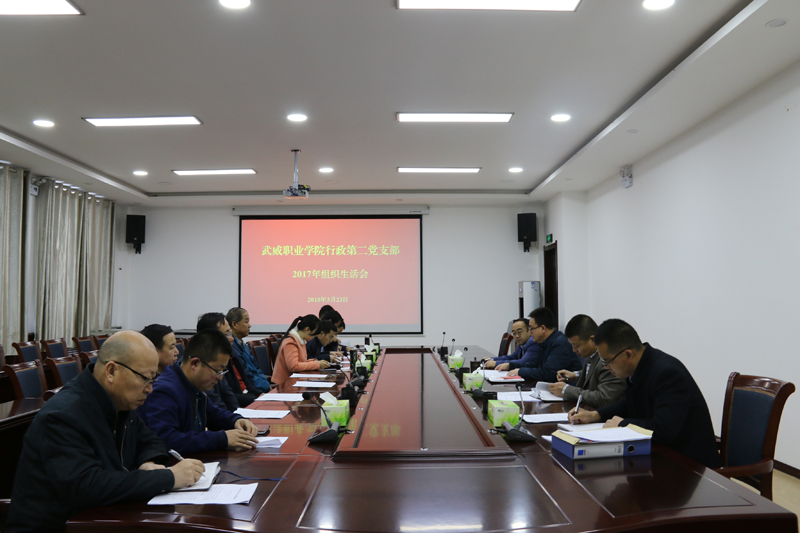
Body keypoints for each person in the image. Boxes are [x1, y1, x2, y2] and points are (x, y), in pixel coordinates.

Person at [5, 331, 205, 533]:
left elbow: (151, 440)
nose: (149, 389)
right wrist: (168, 478)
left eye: (153, 380)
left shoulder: (120, 402)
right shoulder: (62, 416)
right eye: (145, 379)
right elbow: (88, 486)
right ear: (111, 371)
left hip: (101, 518)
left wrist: (149, 462)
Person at [569, 319, 722, 468]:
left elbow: (663, 430)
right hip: (662, 455)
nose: (606, 367)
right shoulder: (640, 366)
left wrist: (622, 424)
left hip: (690, 466)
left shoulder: (667, 373)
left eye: (607, 361)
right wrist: (595, 415)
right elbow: (629, 403)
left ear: (628, 355)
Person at [137, 329, 259, 455]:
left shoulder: (191, 384)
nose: (220, 377)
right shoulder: (165, 391)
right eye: (217, 371)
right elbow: (166, 440)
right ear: (195, 363)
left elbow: (213, 414)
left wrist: (236, 420)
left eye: (223, 371)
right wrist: (222, 439)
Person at [547, 314, 625, 408]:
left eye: (577, 345)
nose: (574, 350)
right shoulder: (592, 355)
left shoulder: (608, 361)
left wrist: (566, 390)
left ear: (592, 340)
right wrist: (575, 375)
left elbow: (604, 398)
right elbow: (594, 373)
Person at [505, 307, 581, 382]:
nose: (530, 333)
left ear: (543, 328)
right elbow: (536, 365)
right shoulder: (546, 342)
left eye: (532, 329)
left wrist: (520, 372)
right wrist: (511, 366)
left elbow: (549, 374)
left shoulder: (559, 344)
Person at [195, 313, 242, 412]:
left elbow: (228, 393)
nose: (232, 338)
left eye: (230, 333)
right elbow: (214, 404)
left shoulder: (219, 358)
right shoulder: (200, 364)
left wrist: (238, 416)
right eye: (227, 334)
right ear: (210, 338)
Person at [271, 314, 330, 388]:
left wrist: (315, 361)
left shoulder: (301, 341)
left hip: (295, 382)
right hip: (284, 385)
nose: (314, 338)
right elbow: (294, 366)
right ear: (307, 329)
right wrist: (317, 364)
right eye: (313, 335)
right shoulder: (291, 342)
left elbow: (301, 362)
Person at [227, 307, 272, 391]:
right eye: (246, 322)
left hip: (261, 387)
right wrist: (266, 388)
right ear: (234, 324)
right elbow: (247, 375)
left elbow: (257, 369)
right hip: (253, 391)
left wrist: (266, 385)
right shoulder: (232, 348)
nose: (249, 325)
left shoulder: (243, 345)